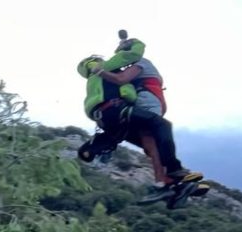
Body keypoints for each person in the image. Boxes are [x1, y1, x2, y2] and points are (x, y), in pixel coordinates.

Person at [77, 39, 201, 201]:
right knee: (161, 127)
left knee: (151, 143)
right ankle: (173, 170)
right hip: (126, 108)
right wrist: (128, 48)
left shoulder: (95, 80)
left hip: (109, 117)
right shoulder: (118, 68)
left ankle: (163, 183)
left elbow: (124, 81)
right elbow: (123, 80)